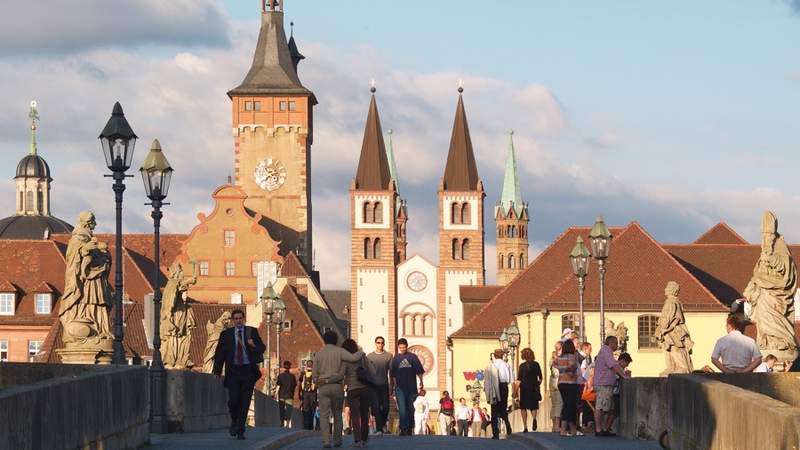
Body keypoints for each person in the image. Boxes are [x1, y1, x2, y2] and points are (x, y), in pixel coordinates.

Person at [212, 309, 266, 440]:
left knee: (245, 401)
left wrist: (253, 345)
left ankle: (240, 430)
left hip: (248, 371)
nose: (238, 320)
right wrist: (217, 370)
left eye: (240, 318)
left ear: (243, 319)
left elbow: (262, 348)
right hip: (233, 371)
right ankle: (234, 421)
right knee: (233, 401)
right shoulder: (226, 334)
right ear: (233, 320)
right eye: (236, 318)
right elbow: (220, 353)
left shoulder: (251, 332)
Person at [312, 331, 365, 448]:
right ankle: (337, 440)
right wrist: (361, 351)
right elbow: (353, 357)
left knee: (324, 416)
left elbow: (314, 376)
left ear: (324, 340)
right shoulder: (340, 351)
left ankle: (326, 441)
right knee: (337, 414)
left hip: (323, 387)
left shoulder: (318, 355)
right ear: (336, 340)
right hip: (337, 386)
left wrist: (319, 381)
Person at [593, 335, 629, 437]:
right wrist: (623, 375)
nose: (617, 345)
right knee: (600, 407)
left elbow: (614, 365)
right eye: (616, 343)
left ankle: (603, 428)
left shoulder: (605, 351)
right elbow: (613, 365)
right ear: (611, 343)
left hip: (604, 383)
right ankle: (599, 429)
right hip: (603, 383)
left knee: (607, 407)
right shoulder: (606, 351)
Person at [341, 338, 374, 448]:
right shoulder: (362, 357)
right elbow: (372, 370)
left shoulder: (345, 360)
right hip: (365, 388)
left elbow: (342, 374)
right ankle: (364, 439)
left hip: (352, 389)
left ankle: (357, 440)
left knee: (355, 416)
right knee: (364, 414)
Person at [389, 338, 425, 436]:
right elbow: (392, 375)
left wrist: (421, 382)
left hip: (411, 387)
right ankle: (403, 428)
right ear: (398, 347)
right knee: (402, 408)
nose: (402, 349)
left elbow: (419, 371)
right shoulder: (396, 359)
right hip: (400, 388)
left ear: (407, 346)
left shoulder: (412, 357)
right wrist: (393, 386)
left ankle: (409, 426)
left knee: (410, 408)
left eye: (404, 347)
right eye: (400, 347)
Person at [484, 349, 513, 439]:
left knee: (494, 411)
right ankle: (507, 424)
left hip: (494, 388)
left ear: (494, 355)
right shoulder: (506, 365)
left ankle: (495, 433)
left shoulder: (490, 365)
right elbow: (510, 380)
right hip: (504, 387)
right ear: (502, 356)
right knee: (503, 408)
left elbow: (487, 380)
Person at [555, 339, 581, 437]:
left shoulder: (559, 357)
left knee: (568, 405)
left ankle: (573, 429)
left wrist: (561, 369)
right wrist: (570, 369)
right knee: (569, 405)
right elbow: (571, 367)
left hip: (561, 383)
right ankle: (563, 429)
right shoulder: (572, 356)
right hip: (570, 383)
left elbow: (554, 364)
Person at [367, 336, 392, 435]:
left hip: (384, 384)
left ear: (384, 344)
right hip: (373, 386)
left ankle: (381, 424)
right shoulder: (369, 356)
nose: (380, 344)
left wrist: (392, 385)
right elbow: (367, 372)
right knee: (376, 407)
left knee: (386, 408)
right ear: (375, 343)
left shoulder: (389, 356)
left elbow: (391, 372)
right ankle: (379, 429)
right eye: (378, 342)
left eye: (382, 343)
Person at [514, 347, 542, 432]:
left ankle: (525, 426)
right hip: (533, 388)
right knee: (533, 406)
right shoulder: (536, 364)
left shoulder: (522, 366)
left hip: (524, 390)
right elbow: (540, 378)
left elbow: (519, 380)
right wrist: (537, 384)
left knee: (523, 408)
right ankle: (534, 418)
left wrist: (515, 391)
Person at [608, 352, 633, 433]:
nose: (627, 365)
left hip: (615, 392)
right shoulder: (616, 367)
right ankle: (607, 427)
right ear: (622, 360)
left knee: (613, 411)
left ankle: (607, 427)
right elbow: (618, 378)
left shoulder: (619, 368)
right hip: (614, 392)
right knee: (614, 411)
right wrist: (627, 376)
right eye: (627, 363)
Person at [276, 361, 298, 427]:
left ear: (284, 367)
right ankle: (288, 424)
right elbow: (294, 385)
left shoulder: (280, 376)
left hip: (281, 395)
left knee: (281, 409)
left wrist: (275, 394)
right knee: (289, 409)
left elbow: (278, 386)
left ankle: (281, 422)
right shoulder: (292, 377)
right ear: (290, 367)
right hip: (289, 395)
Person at [578, 342, 594, 431]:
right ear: (585, 348)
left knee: (587, 405)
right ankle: (585, 424)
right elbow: (583, 370)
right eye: (590, 349)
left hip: (587, 383)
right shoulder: (583, 359)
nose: (591, 351)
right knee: (585, 405)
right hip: (584, 384)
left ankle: (587, 423)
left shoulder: (588, 358)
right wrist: (588, 378)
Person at [299, 360, 317, 430]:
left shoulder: (303, 373)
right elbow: (317, 385)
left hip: (305, 394)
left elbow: (300, 384)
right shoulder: (315, 374)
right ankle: (311, 426)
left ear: (306, 366)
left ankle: (305, 426)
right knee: (312, 410)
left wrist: (299, 393)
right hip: (313, 394)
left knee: (305, 410)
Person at [549, 341, 563, 433]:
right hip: (558, 382)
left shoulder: (552, 358)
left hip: (552, 381)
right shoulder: (559, 358)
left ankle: (554, 425)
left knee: (554, 404)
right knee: (559, 404)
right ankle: (557, 425)